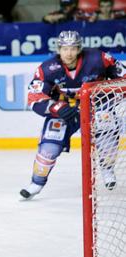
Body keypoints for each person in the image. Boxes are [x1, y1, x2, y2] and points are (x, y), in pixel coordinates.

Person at [20, 30, 125, 200]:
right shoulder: (47, 69)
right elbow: (34, 97)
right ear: (59, 49)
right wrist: (57, 108)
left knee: (107, 131)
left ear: (79, 49)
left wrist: (111, 96)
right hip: (65, 110)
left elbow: (123, 77)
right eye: (64, 48)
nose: (68, 53)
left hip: (96, 106)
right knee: (49, 146)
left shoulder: (99, 59)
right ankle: (36, 183)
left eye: (73, 48)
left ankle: (107, 170)